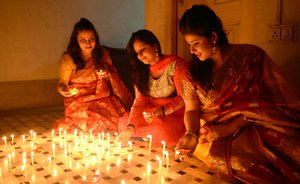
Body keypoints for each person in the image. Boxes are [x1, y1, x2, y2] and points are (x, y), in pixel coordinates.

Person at [175, 4, 300, 184]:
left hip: (255, 122)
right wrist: (191, 133)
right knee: (237, 161)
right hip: (213, 132)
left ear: (213, 37)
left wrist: (232, 126)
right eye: (189, 45)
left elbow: (272, 100)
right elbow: (192, 110)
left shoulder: (252, 56)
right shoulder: (191, 71)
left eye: (196, 44)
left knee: (292, 149)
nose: (191, 51)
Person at [53, 18, 133, 133]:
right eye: (83, 40)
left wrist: (107, 74)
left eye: (91, 39)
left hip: (100, 96)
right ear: (76, 41)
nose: (88, 43)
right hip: (78, 100)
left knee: (116, 118)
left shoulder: (101, 54)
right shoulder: (69, 58)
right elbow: (62, 83)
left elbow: (112, 72)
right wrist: (63, 89)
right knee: (91, 120)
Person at [118, 29, 189, 146]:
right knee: (124, 122)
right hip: (150, 111)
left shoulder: (175, 64)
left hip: (172, 113)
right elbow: (140, 101)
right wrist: (131, 126)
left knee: (161, 129)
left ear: (155, 46)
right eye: (137, 53)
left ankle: (147, 136)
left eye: (143, 49)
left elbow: (183, 97)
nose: (140, 56)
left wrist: (161, 111)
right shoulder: (140, 71)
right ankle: (145, 136)